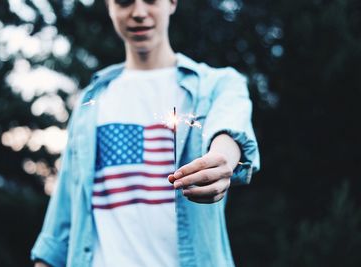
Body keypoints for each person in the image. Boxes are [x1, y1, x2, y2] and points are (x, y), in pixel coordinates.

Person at [31, 0, 260, 266]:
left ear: (172, 2)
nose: (139, 13)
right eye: (125, 2)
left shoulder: (218, 84)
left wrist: (221, 160)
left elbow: (231, 128)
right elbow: (60, 228)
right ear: (109, 6)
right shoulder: (90, 101)